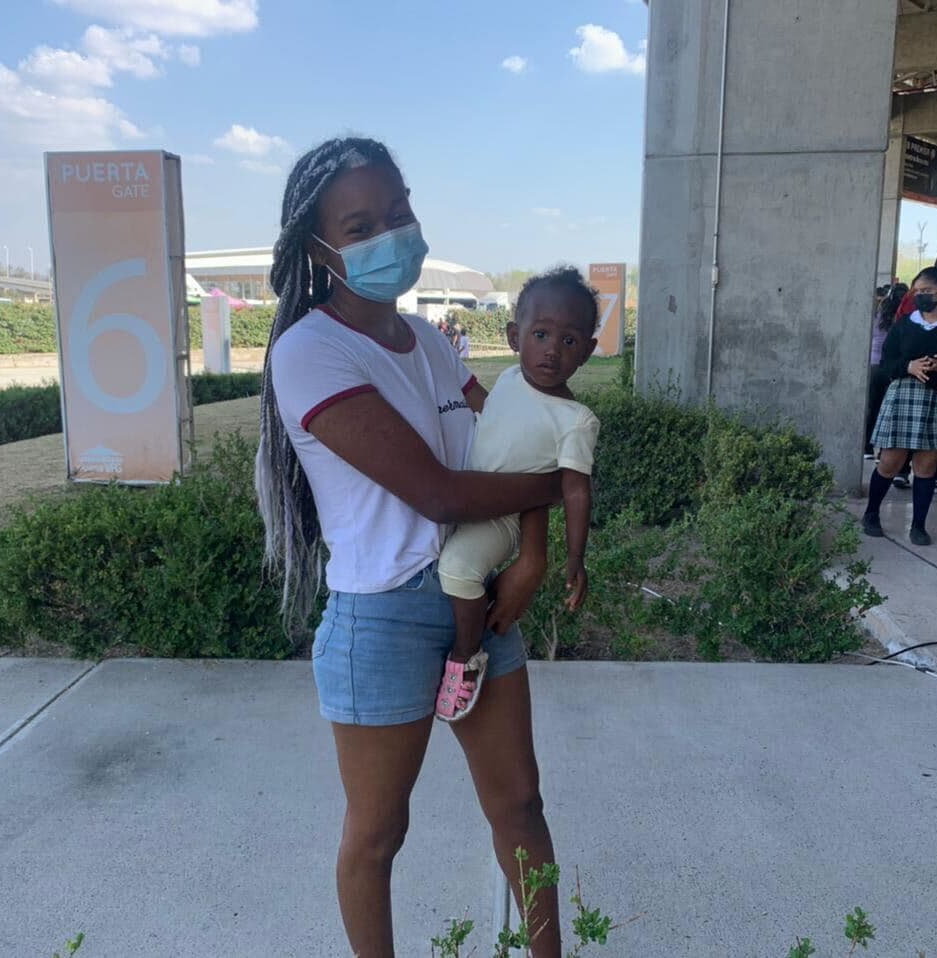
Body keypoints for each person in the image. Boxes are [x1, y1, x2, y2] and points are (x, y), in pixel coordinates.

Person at [258, 137, 566, 956]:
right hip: (384, 620)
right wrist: (562, 491)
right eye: (360, 225)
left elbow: (514, 448)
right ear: (318, 250)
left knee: (521, 807)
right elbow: (436, 491)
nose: (388, 235)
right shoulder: (309, 351)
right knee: (377, 836)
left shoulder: (430, 343)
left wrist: (531, 558)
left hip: (483, 601)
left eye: (397, 214)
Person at [437, 268, 599, 722]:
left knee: (457, 570)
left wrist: (574, 558)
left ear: (587, 351)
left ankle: (467, 655)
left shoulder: (575, 419)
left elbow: (575, 490)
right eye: (541, 333)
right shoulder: (507, 380)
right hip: (467, 496)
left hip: (500, 520)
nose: (552, 349)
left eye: (569, 341)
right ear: (514, 336)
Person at [864, 266, 937, 545]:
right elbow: (887, 363)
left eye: (927, 291)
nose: (921, 296)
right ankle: (871, 514)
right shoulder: (905, 324)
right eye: (918, 291)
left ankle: (918, 525)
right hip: (904, 395)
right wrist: (909, 365)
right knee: (890, 461)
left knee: (926, 466)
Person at [865, 283, 908, 459]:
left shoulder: (878, 315)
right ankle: (884, 451)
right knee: (889, 411)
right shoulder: (904, 319)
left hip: (874, 365)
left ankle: (867, 447)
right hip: (892, 367)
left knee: (872, 408)